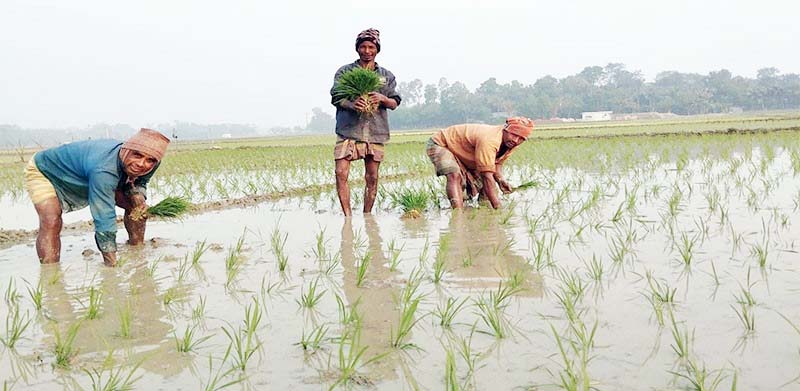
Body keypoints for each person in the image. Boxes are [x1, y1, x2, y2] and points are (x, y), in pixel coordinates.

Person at [24, 128, 170, 266]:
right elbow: (104, 216)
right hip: (47, 171)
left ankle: (137, 249)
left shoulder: (153, 162)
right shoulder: (104, 171)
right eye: (137, 155)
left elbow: (142, 181)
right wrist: (112, 265)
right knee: (51, 219)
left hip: (88, 171)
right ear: (126, 150)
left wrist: (138, 193)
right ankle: (50, 274)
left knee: (136, 206)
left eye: (149, 160)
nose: (141, 163)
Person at [330, 28, 401, 217]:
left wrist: (382, 99)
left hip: (375, 131)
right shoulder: (345, 72)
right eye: (363, 47)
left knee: (372, 176)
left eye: (371, 47)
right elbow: (336, 97)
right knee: (341, 172)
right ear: (357, 49)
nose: (367, 51)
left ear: (377, 49)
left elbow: (394, 102)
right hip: (349, 131)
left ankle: (367, 215)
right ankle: (347, 216)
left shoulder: (386, 75)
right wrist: (354, 104)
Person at [425, 117, 534, 209]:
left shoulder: (510, 144)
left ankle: (484, 209)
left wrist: (500, 180)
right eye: (514, 135)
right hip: (442, 143)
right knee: (454, 175)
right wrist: (499, 208)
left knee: (484, 184)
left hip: (463, 150)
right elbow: (487, 176)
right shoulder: (490, 140)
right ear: (505, 130)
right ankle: (457, 213)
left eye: (521, 138)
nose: (516, 140)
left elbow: (497, 163)